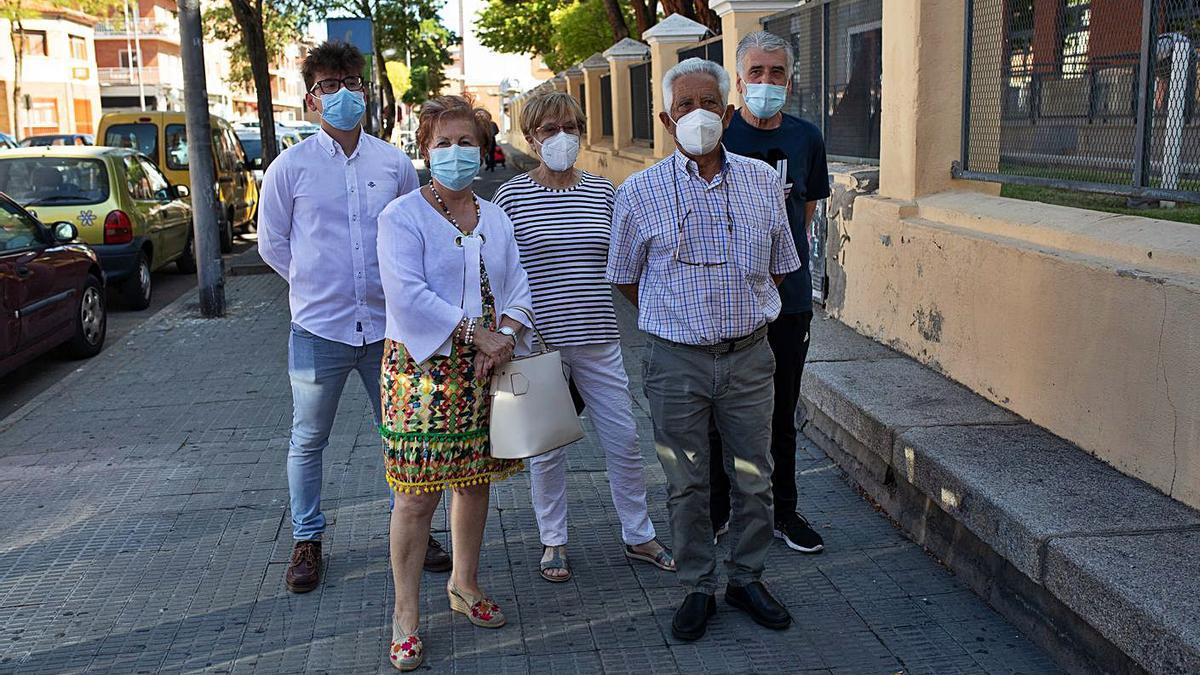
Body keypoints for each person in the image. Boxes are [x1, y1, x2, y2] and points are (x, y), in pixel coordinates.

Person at [606, 58, 800, 642]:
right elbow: (625, 277)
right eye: (684, 107)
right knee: (686, 480)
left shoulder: (764, 181)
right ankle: (697, 584)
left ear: (726, 109)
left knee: (754, 476)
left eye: (709, 104)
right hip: (674, 361)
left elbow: (781, 267)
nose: (698, 116)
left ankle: (746, 577)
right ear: (667, 120)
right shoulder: (639, 192)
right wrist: (677, 323)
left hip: (748, 357)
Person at [257, 40, 449, 596]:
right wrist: (317, 282)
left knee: (402, 436)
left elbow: (415, 233)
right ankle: (307, 539)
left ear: (365, 91)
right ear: (311, 99)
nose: (342, 95)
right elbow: (273, 245)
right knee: (308, 438)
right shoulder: (288, 169)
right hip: (319, 329)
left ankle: (417, 530)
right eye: (329, 86)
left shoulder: (392, 163)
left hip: (391, 328)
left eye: (351, 83)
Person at [376, 94, 532, 671]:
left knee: (474, 483)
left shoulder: (495, 216)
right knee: (415, 498)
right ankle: (406, 616)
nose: (455, 152)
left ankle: (465, 585)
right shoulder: (402, 217)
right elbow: (407, 295)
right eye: (443, 143)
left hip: (486, 371)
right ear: (424, 151)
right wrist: (478, 334)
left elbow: (518, 288)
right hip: (420, 375)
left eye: (466, 141)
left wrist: (508, 334)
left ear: (484, 149)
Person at [492, 91, 675, 584]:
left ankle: (638, 534)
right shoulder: (509, 198)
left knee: (624, 438)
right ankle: (554, 541)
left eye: (570, 127)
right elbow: (498, 272)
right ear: (530, 138)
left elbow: (629, 259)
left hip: (597, 335)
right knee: (547, 449)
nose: (562, 138)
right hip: (538, 345)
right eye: (550, 130)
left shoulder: (604, 191)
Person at [708, 31, 831, 554]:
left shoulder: (806, 139)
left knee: (782, 412)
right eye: (755, 73)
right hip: (726, 300)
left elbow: (802, 216)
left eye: (776, 73)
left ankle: (784, 512)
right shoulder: (717, 137)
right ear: (739, 79)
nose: (765, 82)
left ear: (790, 79)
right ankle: (717, 511)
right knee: (718, 412)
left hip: (789, 299)